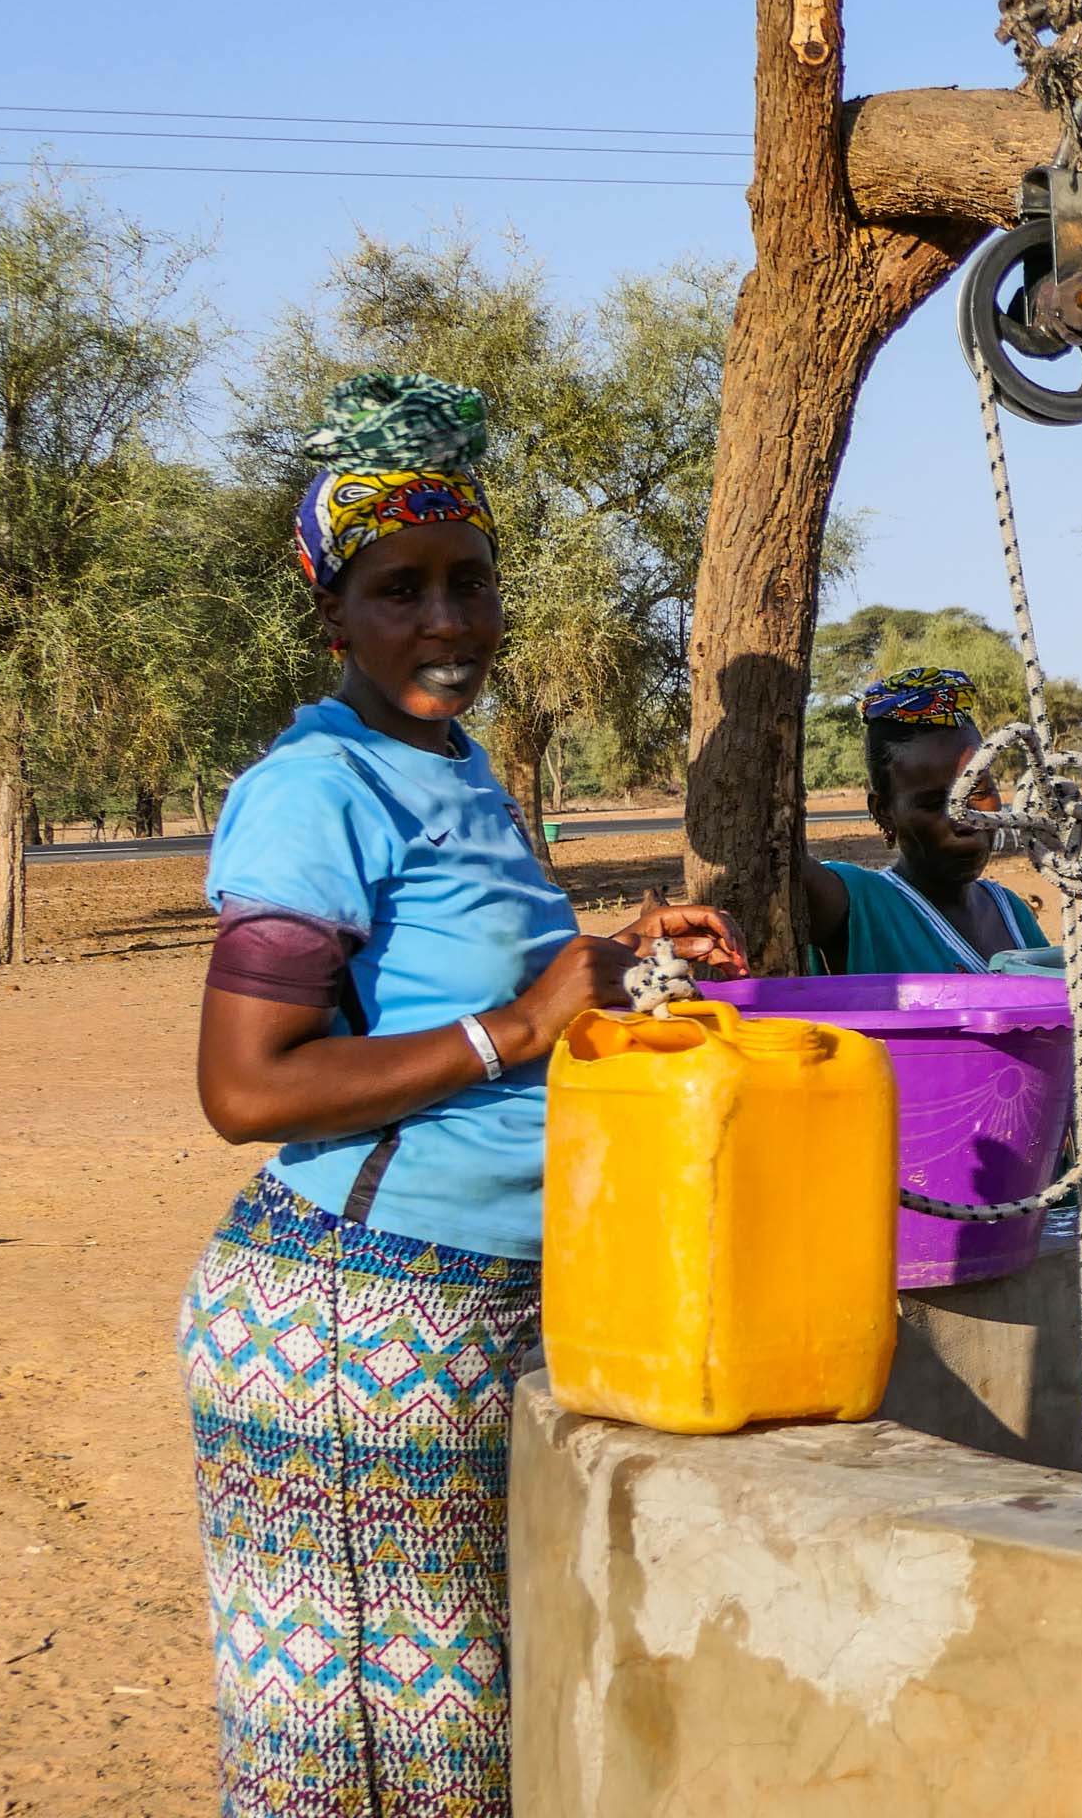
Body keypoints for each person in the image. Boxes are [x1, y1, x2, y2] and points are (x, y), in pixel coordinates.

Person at [182, 373, 747, 1815]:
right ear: (333, 615)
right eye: (399, 590)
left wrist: (618, 965)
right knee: (392, 1757)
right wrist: (521, 1024)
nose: (445, 621)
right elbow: (248, 1090)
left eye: (469, 582)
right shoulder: (318, 787)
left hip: (478, 1298)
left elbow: (484, 992)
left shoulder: (454, 760)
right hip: (359, 1317)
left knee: (479, 1737)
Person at [797, 667, 1052, 973]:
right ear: (884, 812)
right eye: (934, 804)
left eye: (980, 792)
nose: (965, 820)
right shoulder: (859, 904)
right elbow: (783, 863)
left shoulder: (1012, 912)